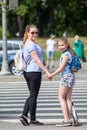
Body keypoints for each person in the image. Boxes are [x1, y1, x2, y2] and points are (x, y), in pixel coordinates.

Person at [19, 24, 50, 126]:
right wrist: (46, 71)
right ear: (27, 33)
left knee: (33, 95)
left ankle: (28, 117)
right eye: (32, 32)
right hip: (34, 72)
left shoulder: (27, 44)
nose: (35, 34)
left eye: (36, 32)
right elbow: (36, 59)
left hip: (29, 72)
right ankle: (28, 116)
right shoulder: (31, 45)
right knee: (33, 96)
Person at [46, 37, 76, 127]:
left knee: (61, 98)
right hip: (71, 76)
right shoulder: (69, 53)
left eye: (62, 45)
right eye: (59, 45)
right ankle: (70, 118)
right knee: (68, 98)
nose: (61, 47)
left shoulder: (65, 55)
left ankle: (66, 119)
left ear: (67, 45)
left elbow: (61, 68)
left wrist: (51, 75)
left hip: (66, 77)